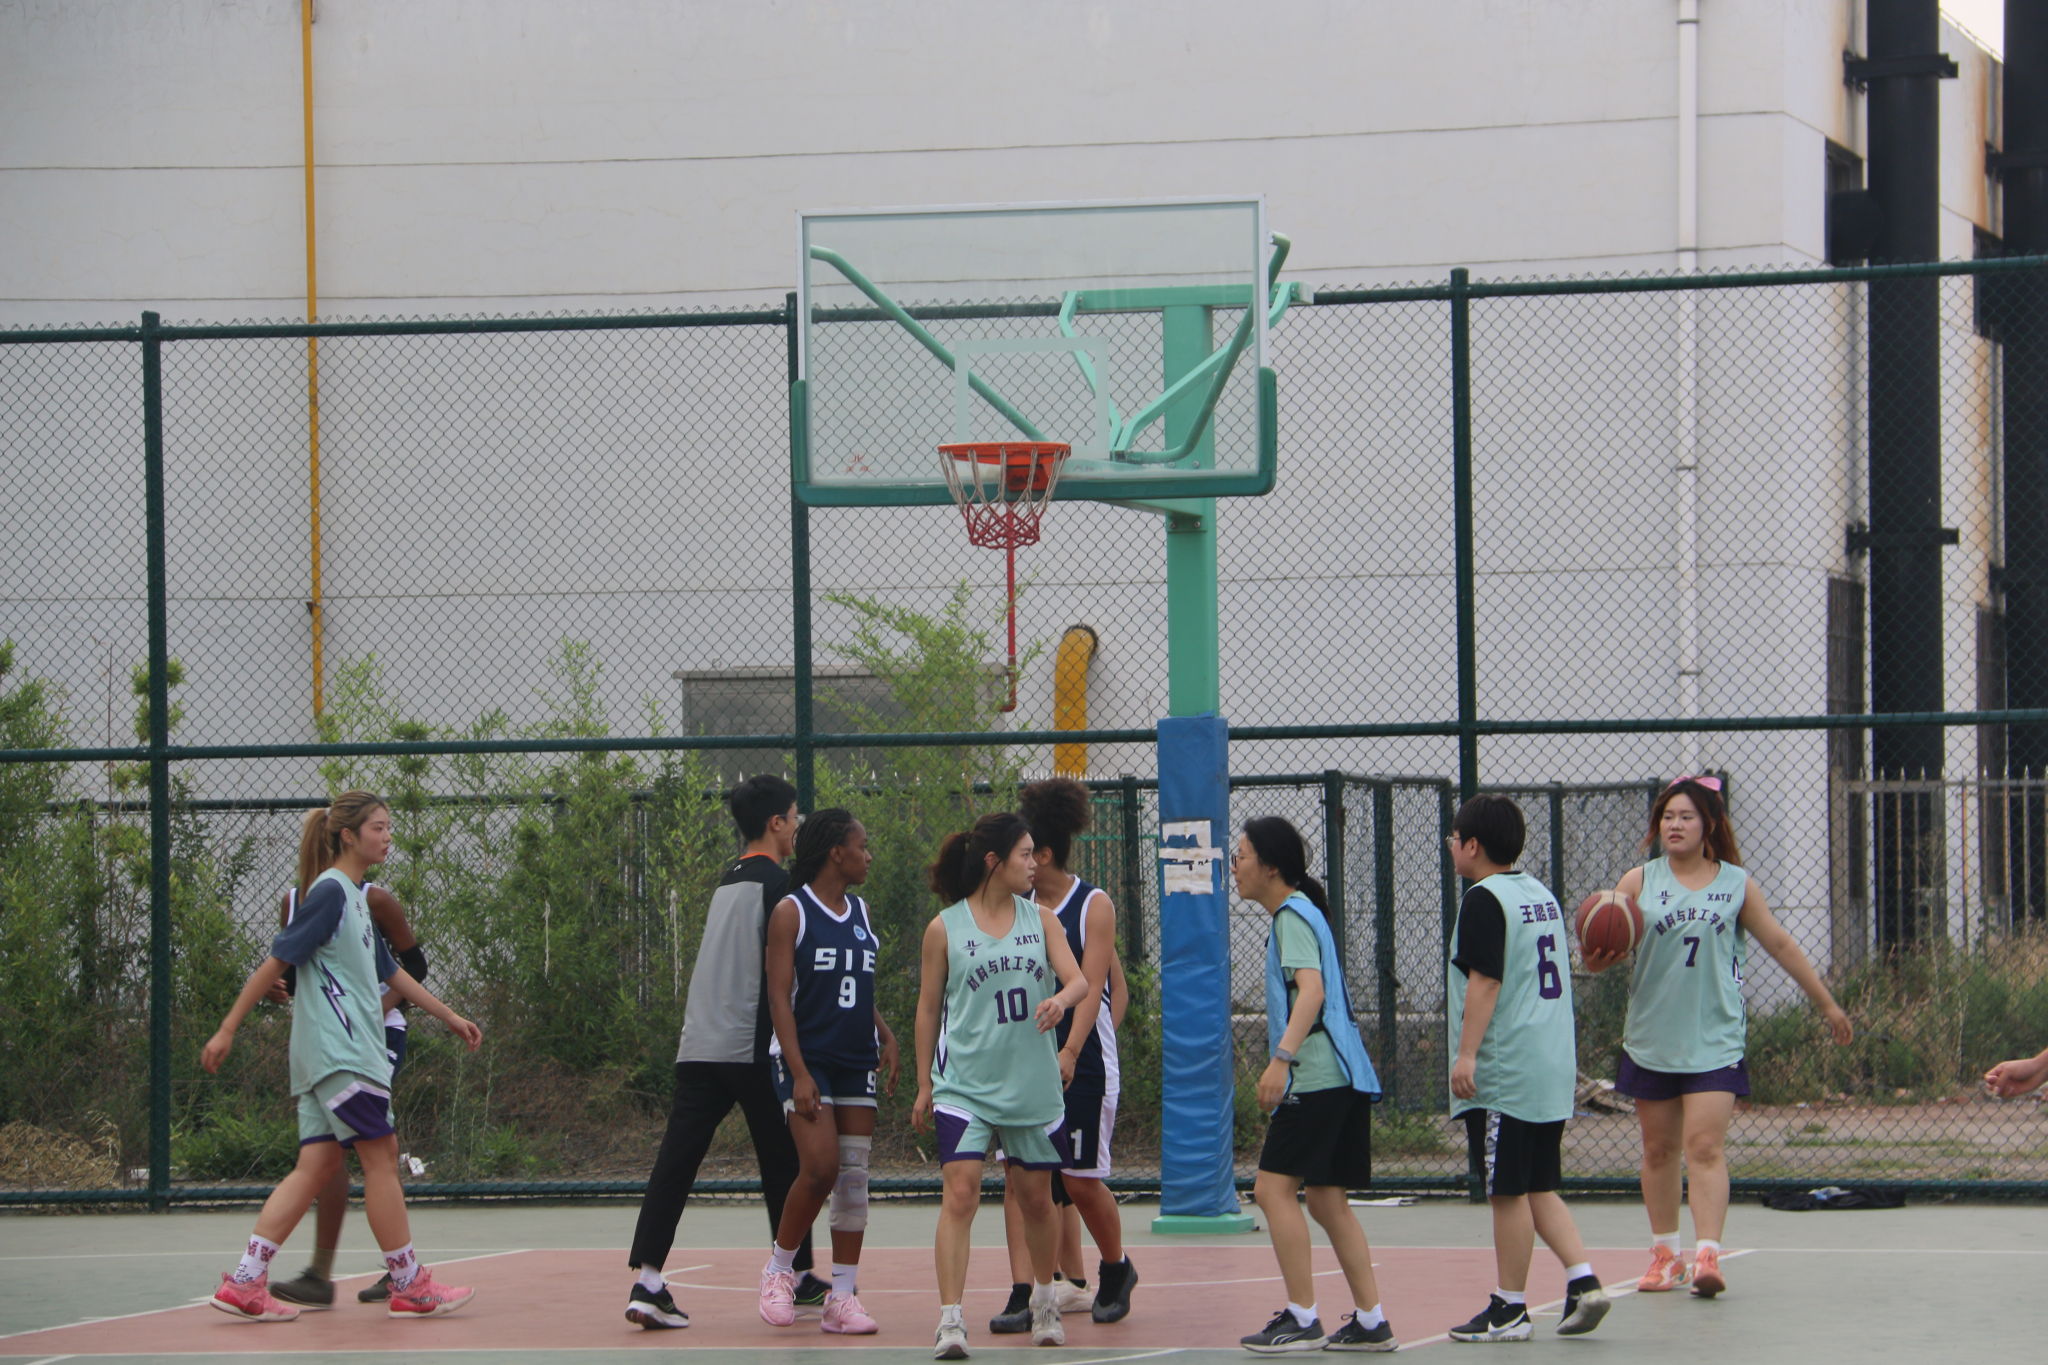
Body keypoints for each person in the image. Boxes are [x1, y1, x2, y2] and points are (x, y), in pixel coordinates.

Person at [201, 791, 483, 1322]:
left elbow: (392, 972)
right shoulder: (330, 892)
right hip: (343, 1054)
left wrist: (448, 1016)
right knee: (381, 1156)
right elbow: (276, 962)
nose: (388, 836)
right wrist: (227, 1028)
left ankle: (245, 1281)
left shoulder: (354, 897)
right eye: (378, 827)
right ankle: (409, 1284)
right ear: (348, 835)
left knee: (317, 1165)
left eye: (389, 827)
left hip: (326, 1057)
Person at [1585, 776, 1852, 1299]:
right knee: (1658, 1150)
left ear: (1708, 824)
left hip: (1715, 1038)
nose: (1675, 825)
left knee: (1704, 1146)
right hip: (1652, 1037)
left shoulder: (1736, 884)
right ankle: (1667, 1257)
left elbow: (1779, 943)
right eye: (1667, 817)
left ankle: (1708, 1254)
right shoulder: (1637, 881)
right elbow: (1603, 951)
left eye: (1686, 816)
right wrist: (1595, 959)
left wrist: (1826, 1002)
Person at [624, 775, 826, 1330]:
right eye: (794, 817)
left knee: (676, 1163)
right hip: (748, 1045)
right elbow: (784, 975)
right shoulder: (780, 886)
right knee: (789, 1162)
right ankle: (794, 1273)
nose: (797, 826)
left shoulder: (728, 879)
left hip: (699, 1045)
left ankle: (648, 1281)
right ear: (776, 824)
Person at [912, 812, 1094, 1359]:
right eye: (1025, 854)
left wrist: (1060, 1000)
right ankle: (950, 1320)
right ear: (994, 861)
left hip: (1030, 1083)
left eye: (1035, 853)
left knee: (1037, 1201)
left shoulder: (1042, 921)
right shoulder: (945, 928)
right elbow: (927, 1010)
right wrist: (924, 1084)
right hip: (963, 1085)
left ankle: (1044, 1298)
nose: (1035, 863)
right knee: (960, 1193)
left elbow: (1080, 981)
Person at [1443, 794, 1610, 1342]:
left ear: (1473, 846)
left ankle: (1510, 1309)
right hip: (1550, 1062)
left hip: (1506, 1068)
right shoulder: (1540, 894)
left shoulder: (1483, 899)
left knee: (1506, 1191)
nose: (1450, 845)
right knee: (1537, 1182)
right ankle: (1584, 1281)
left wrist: (1467, 1054)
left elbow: (1486, 980)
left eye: (1454, 837)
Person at [1233, 816, 1398, 1354]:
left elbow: (1312, 992)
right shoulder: (1304, 910)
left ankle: (1303, 1318)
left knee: (1271, 1190)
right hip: (1346, 1074)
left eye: (1242, 855)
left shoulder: (1291, 916)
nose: (1234, 866)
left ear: (1270, 867)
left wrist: (1280, 1061)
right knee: (1327, 1202)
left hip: (1317, 1076)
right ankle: (1372, 1321)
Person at [990, 778, 1137, 1334]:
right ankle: (1025, 1291)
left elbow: (1096, 987)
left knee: (1077, 1181)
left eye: (1028, 851)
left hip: (1082, 1060)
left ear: (1045, 854)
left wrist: (1073, 1049)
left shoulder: (1093, 905)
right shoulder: (1014, 908)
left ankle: (1116, 1268)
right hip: (1026, 1063)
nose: (1023, 861)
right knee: (1019, 1179)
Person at [757, 808, 902, 1335]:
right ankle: (779, 1271)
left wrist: (885, 1033)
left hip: (856, 1057)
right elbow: (778, 996)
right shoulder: (791, 911)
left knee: (853, 1181)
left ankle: (842, 1298)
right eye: (862, 847)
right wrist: (798, 1072)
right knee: (820, 1168)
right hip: (808, 1057)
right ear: (837, 853)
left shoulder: (861, 911)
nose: (869, 856)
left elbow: (854, 983)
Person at [268, 867, 429, 1309]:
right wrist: (277, 989)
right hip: (332, 1040)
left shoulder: (374, 900)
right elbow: (301, 973)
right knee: (328, 1154)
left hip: (378, 1036)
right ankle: (322, 1274)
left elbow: (414, 966)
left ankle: (399, 1272)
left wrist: (377, 1007)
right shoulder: (295, 900)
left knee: (373, 1148)